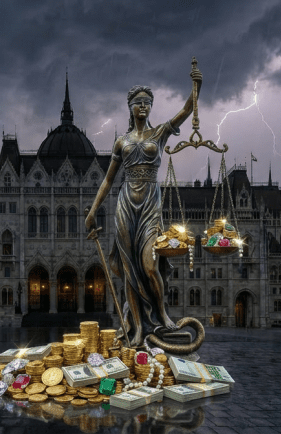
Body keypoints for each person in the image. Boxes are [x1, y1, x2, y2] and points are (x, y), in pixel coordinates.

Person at [86, 67, 202, 347]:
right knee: (129, 271)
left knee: (150, 266)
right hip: (126, 205)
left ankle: (161, 313)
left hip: (150, 203)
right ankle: (138, 329)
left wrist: (196, 88)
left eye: (147, 102)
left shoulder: (159, 133)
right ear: (130, 107)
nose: (143, 106)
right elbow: (108, 180)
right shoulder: (122, 142)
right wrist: (92, 210)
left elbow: (186, 111)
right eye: (138, 102)